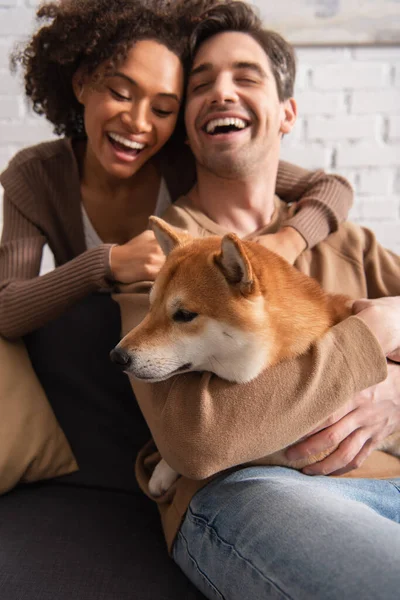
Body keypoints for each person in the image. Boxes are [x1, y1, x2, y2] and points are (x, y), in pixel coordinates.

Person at [0, 0, 355, 597]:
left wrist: (288, 242)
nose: (140, 122)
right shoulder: (37, 176)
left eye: (164, 108)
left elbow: (332, 187)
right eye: (120, 92)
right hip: (130, 336)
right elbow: (7, 305)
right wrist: (105, 263)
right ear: (83, 82)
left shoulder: (178, 156)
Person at [112, 3, 400, 599]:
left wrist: (394, 391)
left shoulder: (348, 240)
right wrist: (370, 341)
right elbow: (198, 441)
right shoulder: (159, 258)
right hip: (255, 491)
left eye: (245, 77)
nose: (221, 91)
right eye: (200, 85)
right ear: (186, 123)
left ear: (287, 112)